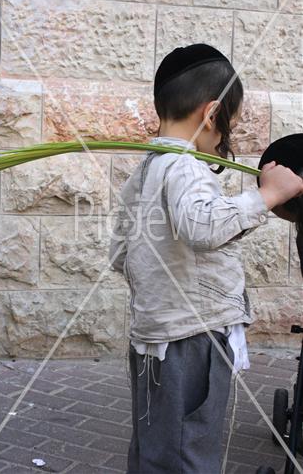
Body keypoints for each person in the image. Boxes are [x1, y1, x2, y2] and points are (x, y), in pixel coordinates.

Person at [108, 44, 303, 474]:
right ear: (211, 113)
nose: (227, 137)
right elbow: (200, 227)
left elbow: (123, 250)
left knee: (157, 444)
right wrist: (267, 195)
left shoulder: (149, 167)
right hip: (192, 338)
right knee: (188, 448)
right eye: (229, 125)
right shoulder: (185, 168)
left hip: (154, 334)